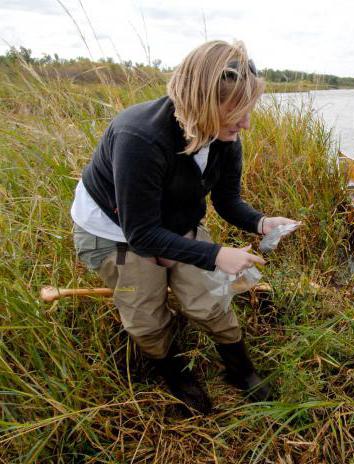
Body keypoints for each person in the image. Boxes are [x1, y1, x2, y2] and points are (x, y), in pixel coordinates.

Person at [71, 40, 297, 414]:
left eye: (248, 110)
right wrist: (215, 254)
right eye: (235, 112)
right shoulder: (139, 137)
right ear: (200, 103)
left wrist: (260, 222)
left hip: (174, 220)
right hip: (115, 233)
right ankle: (175, 373)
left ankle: (240, 371)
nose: (246, 123)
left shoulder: (227, 137)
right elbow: (141, 234)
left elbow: (227, 201)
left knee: (209, 298)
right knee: (145, 310)